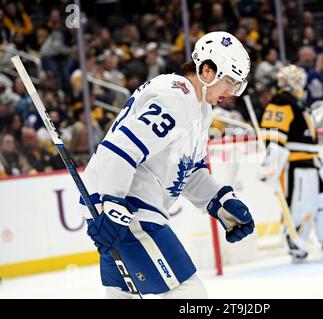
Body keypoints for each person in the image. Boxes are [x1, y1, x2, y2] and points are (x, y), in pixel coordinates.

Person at [79, 31, 255, 299]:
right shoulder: (176, 97)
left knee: (123, 295)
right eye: (230, 81)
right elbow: (122, 148)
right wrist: (112, 204)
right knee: (189, 293)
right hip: (129, 208)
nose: (232, 92)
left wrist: (220, 201)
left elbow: (188, 169)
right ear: (207, 71)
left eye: (237, 84)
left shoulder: (200, 109)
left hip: (124, 205)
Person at [259, 65, 323, 263]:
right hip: (296, 166)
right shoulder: (281, 103)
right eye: (300, 80)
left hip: (313, 162)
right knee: (301, 206)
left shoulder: (297, 103)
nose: (303, 84)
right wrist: (272, 165)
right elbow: (273, 138)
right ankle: (296, 241)